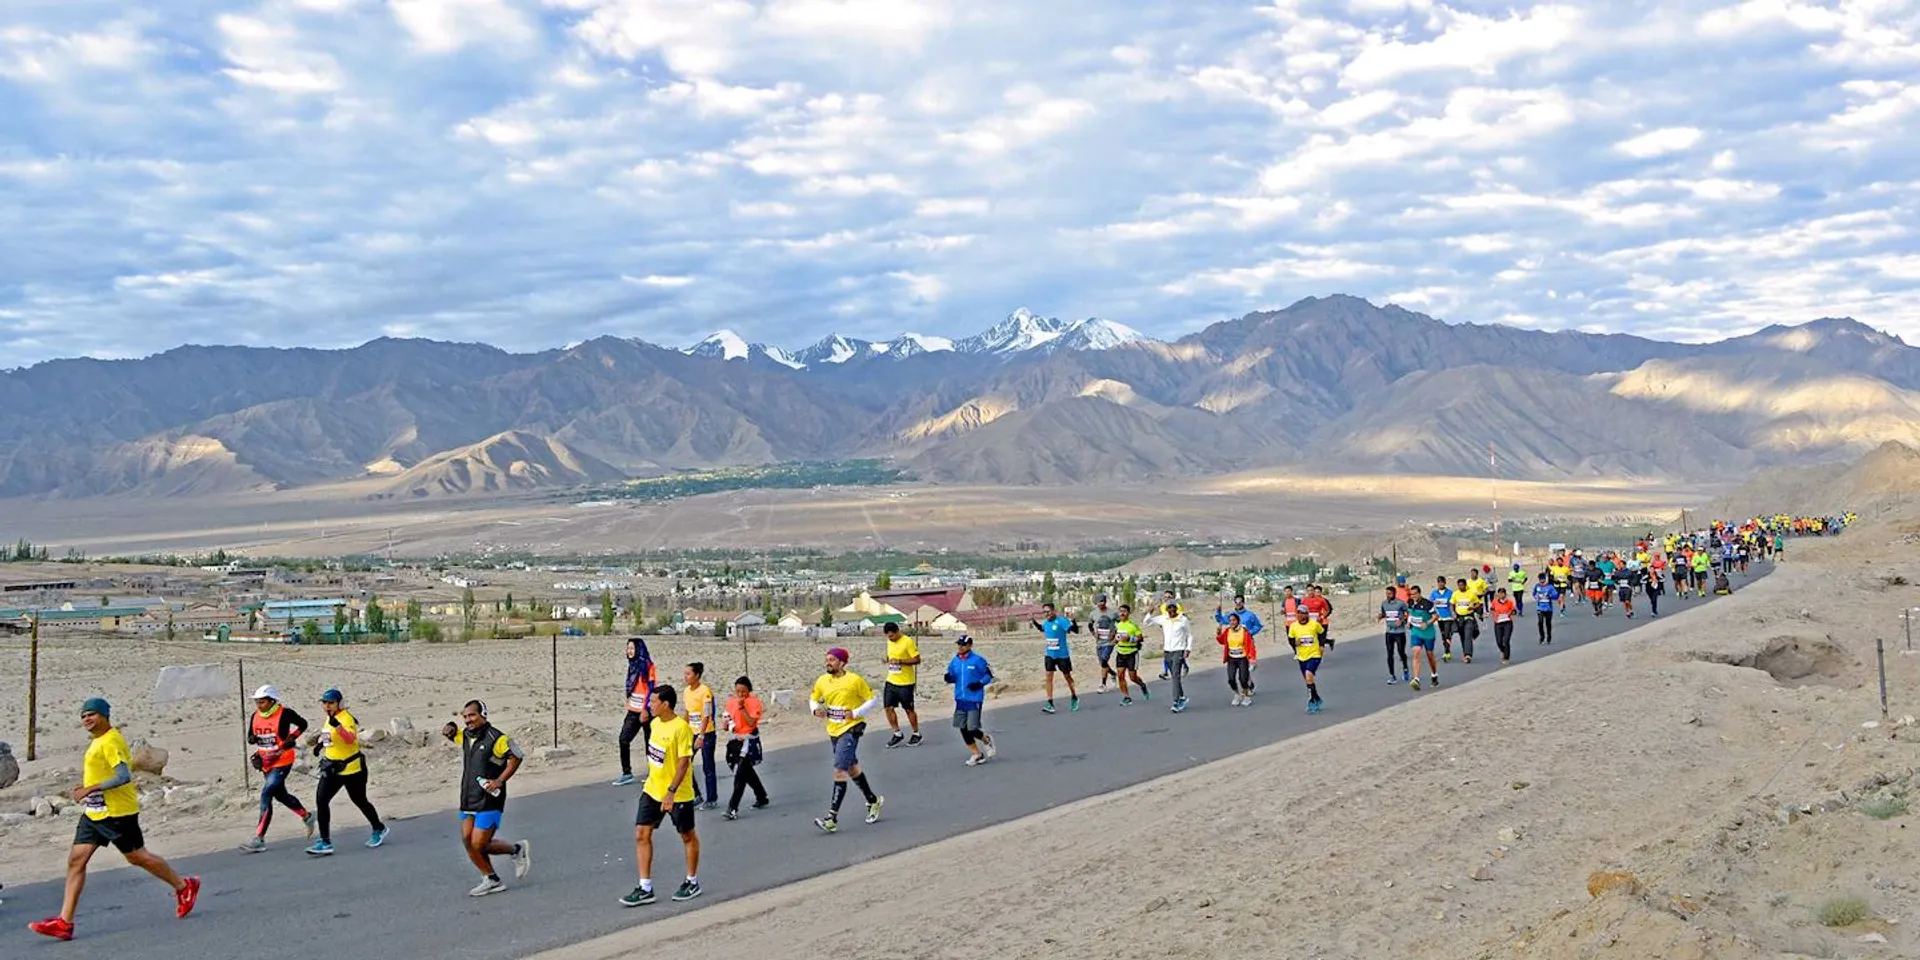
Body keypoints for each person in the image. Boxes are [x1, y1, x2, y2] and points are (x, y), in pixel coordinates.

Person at [26, 698, 200, 942]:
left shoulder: (111, 740)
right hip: (95, 813)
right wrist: (88, 788)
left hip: (117, 813)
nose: (87, 719)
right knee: (76, 861)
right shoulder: (98, 741)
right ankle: (65, 923)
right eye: (83, 715)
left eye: (92, 714)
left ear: (105, 715)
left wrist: (91, 788)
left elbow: (123, 776)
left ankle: (184, 886)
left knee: (138, 857)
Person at [620, 684, 702, 906]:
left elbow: (684, 763)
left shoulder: (681, 728)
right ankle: (645, 887)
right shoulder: (655, 724)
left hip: (677, 793)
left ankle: (692, 881)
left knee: (687, 836)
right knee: (641, 834)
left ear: (665, 704)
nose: (650, 705)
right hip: (652, 790)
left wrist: (671, 792)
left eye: (654, 702)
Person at [440, 700, 531, 896]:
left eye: (472, 715)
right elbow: (451, 734)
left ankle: (516, 850)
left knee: (479, 844)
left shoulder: (497, 738)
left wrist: (499, 780)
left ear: (484, 714)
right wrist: (449, 728)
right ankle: (491, 879)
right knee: (467, 840)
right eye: (465, 716)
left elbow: (516, 757)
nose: (468, 720)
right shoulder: (466, 735)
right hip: (468, 797)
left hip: (489, 799)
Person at [809, 648, 884, 833]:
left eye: (832, 660)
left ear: (842, 663)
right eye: (826, 659)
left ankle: (832, 818)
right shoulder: (822, 680)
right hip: (833, 729)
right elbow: (813, 698)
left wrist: (856, 713)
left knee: (840, 770)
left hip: (850, 729)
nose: (828, 663)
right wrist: (815, 709)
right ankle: (873, 800)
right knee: (852, 768)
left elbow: (872, 699)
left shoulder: (854, 680)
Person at [306, 688, 388, 856]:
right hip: (332, 768)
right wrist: (321, 745)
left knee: (359, 800)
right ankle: (325, 841)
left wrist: (338, 727)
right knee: (321, 800)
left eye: (331, 703)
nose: (327, 706)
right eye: (325, 703)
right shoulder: (329, 719)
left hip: (352, 770)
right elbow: (330, 736)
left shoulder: (346, 718)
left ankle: (378, 827)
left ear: (339, 704)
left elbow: (350, 739)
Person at [241, 685, 313, 853]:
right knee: (280, 795)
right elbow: (251, 736)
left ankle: (259, 838)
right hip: (266, 762)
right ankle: (307, 816)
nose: (259, 705)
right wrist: (253, 740)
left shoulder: (285, 713)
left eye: (262, 701)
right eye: (257, 702)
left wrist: (291, 738)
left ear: (272, 701)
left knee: (266, 793)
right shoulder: (255, 716)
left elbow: (303, 724)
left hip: (283, 760)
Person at [943, 635, 998, 766]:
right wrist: (948, 678)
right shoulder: (955, 661)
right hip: (960, 698)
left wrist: (979, 684)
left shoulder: (978, 660)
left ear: (969, 646)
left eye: (963, 645)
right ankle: (977, 754)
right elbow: (952, 675)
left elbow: (989, 675)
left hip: (974, 699)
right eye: (959, 645)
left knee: (972, 728)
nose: (960, 647)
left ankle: (986, 740)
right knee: (962, 727)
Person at [722, 676, 770, 819]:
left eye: (744, 691)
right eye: (738, 691)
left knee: (740, 775)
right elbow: (727, 722)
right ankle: (761, 796)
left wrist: (742, 707)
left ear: (749, 690)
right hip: (736, 740)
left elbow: (750, 723)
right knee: (747, 771)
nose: (741, 694)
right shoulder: (731, 702)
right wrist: (726, 724)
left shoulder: (754, 702)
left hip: (749, 741)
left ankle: (732, 808)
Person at [612, 638, 657, 787]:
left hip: (646, 711)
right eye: (628, 648)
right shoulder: (632, 666)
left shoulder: (648, 666)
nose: (629, 651)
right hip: (633, 710)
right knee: (623, 739)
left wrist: (646, 709)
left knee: (649, 743)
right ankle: (627, 773)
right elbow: (631, 686)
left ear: (639, 649)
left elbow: (651, 689)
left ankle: (654, 773)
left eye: (632, 648)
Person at [1031, 602, 1081, 713]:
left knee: (1067, 676)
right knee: (1048, 676)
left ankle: (1074, 696)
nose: (1046, 614)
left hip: (1062, 655)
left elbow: (1075, 631)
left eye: (1048, 611)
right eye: (1044, 612)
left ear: (1054, 611)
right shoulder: (1046, 623)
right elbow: (1041, 628)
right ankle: (1050, 702)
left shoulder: (1061, 621)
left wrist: (1073, 621)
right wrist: (1033, 621)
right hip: (1050, 655)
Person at [1145, 602, 1194, 713]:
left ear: (1177, 609)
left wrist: (1188, 649)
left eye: (1173, 608)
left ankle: (1176, 701)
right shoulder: (1164, 619)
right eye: (1169, 608)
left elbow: (1189, 635)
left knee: (1176, 676)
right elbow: (1147, 622)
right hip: (1167, 651)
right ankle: (1182, 697)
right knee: (1174, 676)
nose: (1171, 611)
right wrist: (1150, 612)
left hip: (1179, 650)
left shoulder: (1183, 620)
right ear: (1166, 610)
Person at [880, 622, 923, 748]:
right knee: (888, 708)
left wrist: (901, 661)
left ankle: (916, 733)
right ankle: (897, 733)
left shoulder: (907, 641)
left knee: (908, 709)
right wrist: (887, 659)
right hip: (891, 680)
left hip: (906, 682)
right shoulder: (889, 642)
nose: (890, 638)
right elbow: (891, 655)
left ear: (898, 631)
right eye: (888, 636)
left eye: (892, 636)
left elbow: (917, 659)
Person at [682, 663, 718, 809]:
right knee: (684, 763)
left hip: (706, 733)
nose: (686, 677)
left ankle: (711, 798)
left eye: (688, 674)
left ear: (697, 675)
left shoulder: (705, 691)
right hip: (692, 732)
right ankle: (696, 795)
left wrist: (701, 736)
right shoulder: (686, 691)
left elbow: (707, 715)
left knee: (707, 766)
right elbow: (687, 712)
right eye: (685, 674)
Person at [1287, 606, 1327, 713]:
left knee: (1309, 676)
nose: (1302, 616)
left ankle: (1311, 702)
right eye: (1299, 614)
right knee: (1308, 681)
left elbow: (1322, 633)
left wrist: (1322, 645)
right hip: (1302, 656)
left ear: (1307, 614)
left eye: (1304, 614)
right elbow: (1290, 640)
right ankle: (1317, 698)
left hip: (1315, 654)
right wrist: (1295, 643)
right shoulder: (1293, 626)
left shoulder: (1314, 624)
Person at [1216, 612, 1257, 706]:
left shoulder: (1244, 631)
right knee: (1231, 679)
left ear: (1238, 621)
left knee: (1243, 679)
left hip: (1242, 658)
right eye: (1230, 620)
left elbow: (1251, 645)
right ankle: (1237, 694)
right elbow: (1221, 641)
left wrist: (1252, 658)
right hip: (1231, 658)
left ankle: (1246, 696)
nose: (1232, 622)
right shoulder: (1227, 631)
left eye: (1234, 620)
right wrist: (1218, 633)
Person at [1113, 603, 1150, 704]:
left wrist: (1130, 638)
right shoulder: (1117, 625)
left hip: (1132, 653)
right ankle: (1126, 697)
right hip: (1120, 652)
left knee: (1132, 677)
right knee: (1120, 675)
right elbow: (1114, 638)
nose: (1122, 613)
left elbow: (1141, 638)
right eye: (1120, 611)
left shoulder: (1133, 625)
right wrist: (1115, 640)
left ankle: (1142, 685)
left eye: (1124, 611)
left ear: (1128, 613)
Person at [1405, 590, 1441, 690]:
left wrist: (1427, 623)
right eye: (1412, 594)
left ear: (1420, 593)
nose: (1413, 596)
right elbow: (1410, 613)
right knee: (1416, 651)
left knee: (1430, 655)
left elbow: (1436, 616)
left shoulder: (1427, 604)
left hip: (1428, 634)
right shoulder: (1410, 602)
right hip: (1416, 632)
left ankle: (1434, 674)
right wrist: (1409, 622)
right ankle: (1416, 679)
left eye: (1415, 594)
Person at [1377, 588, 1410, 685]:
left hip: (1399, 632)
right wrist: (1380, 616)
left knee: (1401, 652)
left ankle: (1405, 668)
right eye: (1387, 593)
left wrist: (1402, 620)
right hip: (1389, 632)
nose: (1388, 595)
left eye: (1390, 594)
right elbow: (1384, 613)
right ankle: (1392, 675)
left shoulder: (1400, 603)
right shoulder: (1384, 603)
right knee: (1389, 654)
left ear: (1394, 593)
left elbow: (1408, 613)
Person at [1089, 594, 1121, 693]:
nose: (1101, 603)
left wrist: (1115, 634)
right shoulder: (1093, 614)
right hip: (1099, 642)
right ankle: (1112, 673)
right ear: (1096, 603)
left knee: (1103, 661)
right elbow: (1090, 625)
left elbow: (1121, 624)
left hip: (1110, 642)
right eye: (1099, 602)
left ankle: (1103, 685)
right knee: (1103, 663)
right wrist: (1094, 634)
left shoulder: (1112, 613)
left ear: (1105, 602)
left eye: (1103, 601)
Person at [1453, 577, 1479, 664]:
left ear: (1465, 585)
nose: (1461, 587)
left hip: (1469, 617)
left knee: (1468, 635)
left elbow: (1478, 603)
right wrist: (1453, 612)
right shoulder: (1456, 594)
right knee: (1462, 636)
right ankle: (1465, 653)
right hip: (1459, 618)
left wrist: (1474, 607)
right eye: (1459, 585)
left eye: (1462, 585)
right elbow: (1452, 604)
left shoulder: (1471, 593)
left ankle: (1468, 655)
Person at [1430, 577, 1457, 661]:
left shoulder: (1450, 593)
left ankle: (1447, 652)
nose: (1440, 584)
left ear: (1445, 583)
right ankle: (1447, 650)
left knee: (1447, 634)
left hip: (1448, 617)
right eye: (1439, 582)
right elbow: (1430, 604)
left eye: (1442, 582)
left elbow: (1453, 603)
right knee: (1443, 635)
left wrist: (1454, 613)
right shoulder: (1434, 593)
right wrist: (1433, 613)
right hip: (1439, 618)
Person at [1489, 588, 1518, 664]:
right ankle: (1502, 650)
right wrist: (1494, 614)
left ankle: (1506, 657)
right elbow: (1491, 609)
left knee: (1506, 640)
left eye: (1503, 593)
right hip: (1498, 623)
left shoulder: (1509, 602)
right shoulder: (1495, 602)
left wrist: (1510, 613)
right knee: (1499, 641)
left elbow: (1514, 611)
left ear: (1505, 594)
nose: (1501, 595)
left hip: (1507, 622)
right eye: (1500, 593)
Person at [1157, 589, 1179, 679]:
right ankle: (1166, 671)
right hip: (1167, 632)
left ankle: (1184, 666)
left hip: (1176, 632)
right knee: (1167, 652)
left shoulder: (1177, 606)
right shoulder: (1162, 607)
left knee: (1177, 651)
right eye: (1165, 597)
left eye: (1169, 597)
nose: (1166, 599)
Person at [1531, 575, 1559, 644]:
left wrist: (1549, 596)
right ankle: (1542, 636)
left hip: (1548, 608)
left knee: (1548, 623)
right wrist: (1536, 597)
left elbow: (1556, 596)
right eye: (1540, 579)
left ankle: (1549, 636)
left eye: (1543, 579)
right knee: (1540, 622)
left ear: (1545, 579)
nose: (1541, 581)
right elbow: (1534, 593)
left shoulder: (1550, 587)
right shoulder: (1537, 586)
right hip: (1540, 608)